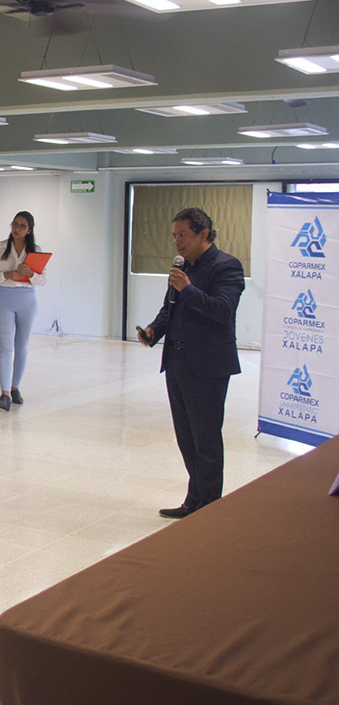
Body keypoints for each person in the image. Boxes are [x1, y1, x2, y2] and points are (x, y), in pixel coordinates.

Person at [139, 207, 244, 519]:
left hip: (209, 366)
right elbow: (170, 308)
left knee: (206, 437)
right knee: (186, 436)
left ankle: (210, 506)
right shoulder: (183, 267)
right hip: (178, 361)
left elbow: (222, 310)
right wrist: (153, 331)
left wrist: (189, 288)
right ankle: (193, 499)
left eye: (183, 235)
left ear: (204, 234)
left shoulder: (227, 266)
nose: (177, 242)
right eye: (174, 236)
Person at [0, 211, 47, 411]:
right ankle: (4, 393)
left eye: (22, 226)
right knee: (5, 347)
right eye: (15, 224)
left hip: (27, 299)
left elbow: (43, 279)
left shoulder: (35, 250)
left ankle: (15, 387)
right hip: (5, 297)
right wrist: (8, 274)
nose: (17, 229)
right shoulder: (0, 247)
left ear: (29, 230)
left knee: (22, 347)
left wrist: (31, 275)